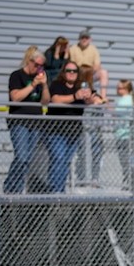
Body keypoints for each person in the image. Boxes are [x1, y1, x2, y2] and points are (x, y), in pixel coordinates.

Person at [46, 61, 101, 193]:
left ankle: (60, 189)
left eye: (74, 71)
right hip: (56, 130)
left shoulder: (81, 86)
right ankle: (54, 191)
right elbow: (55, 100)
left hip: (74, 131)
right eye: (68, 71)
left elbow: (95, 100)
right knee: (58, 159)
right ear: (63, 72)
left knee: (65, 162)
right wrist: (75, 96)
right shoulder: (56, 84)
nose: (71, 73)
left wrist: (89, 98)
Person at [3, 46, 51, 193]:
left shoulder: (40, 78)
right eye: (36, 64)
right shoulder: (17, 75)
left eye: (41, 65)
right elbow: (16, 97)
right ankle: (10, 187)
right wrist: (34, 84)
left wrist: (44, 85)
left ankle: (16, 189)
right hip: (19, 122)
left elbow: (45, 101)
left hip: (35, 123)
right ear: (29, 62)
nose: (38, 68)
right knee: (22, 156)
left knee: (28, 160)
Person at [69, 30, 108, 99]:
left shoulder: (94, 49)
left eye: (86, 38)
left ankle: (103, 97)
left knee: (103, 72)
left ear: (90, 39)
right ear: (79, 39)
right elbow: (71, 64)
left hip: (90, 73)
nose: (84, 39)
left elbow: (97, 65)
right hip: (78, 73)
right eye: (82, 37)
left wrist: (89, 71)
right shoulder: (73, 49)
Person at [114, 79, 134, 189]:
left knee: (125, 160)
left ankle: (129, 182)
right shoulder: (125, 99)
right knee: (124, 160)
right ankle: (128, 180)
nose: (117, 90)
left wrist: (105, 104)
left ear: (126, 89)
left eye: (120, 88)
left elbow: (115, 112)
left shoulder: (125, 100)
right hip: (122, 134)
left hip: (124, 135)